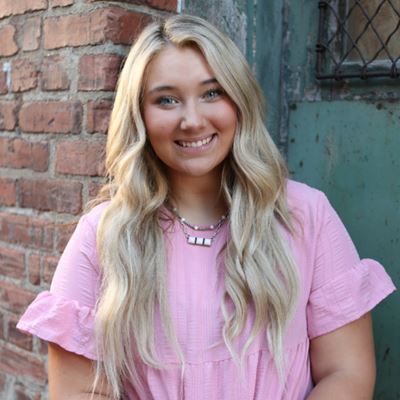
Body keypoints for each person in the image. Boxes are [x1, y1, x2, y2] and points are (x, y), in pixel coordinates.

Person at [17, 14, 395, 400]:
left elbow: (345, 372)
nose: (193, 120)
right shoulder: (102, 237)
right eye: (166, 100)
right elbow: (80, 391)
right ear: (139, 115)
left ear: (239, 100)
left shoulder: (305, 215)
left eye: (212, 93)